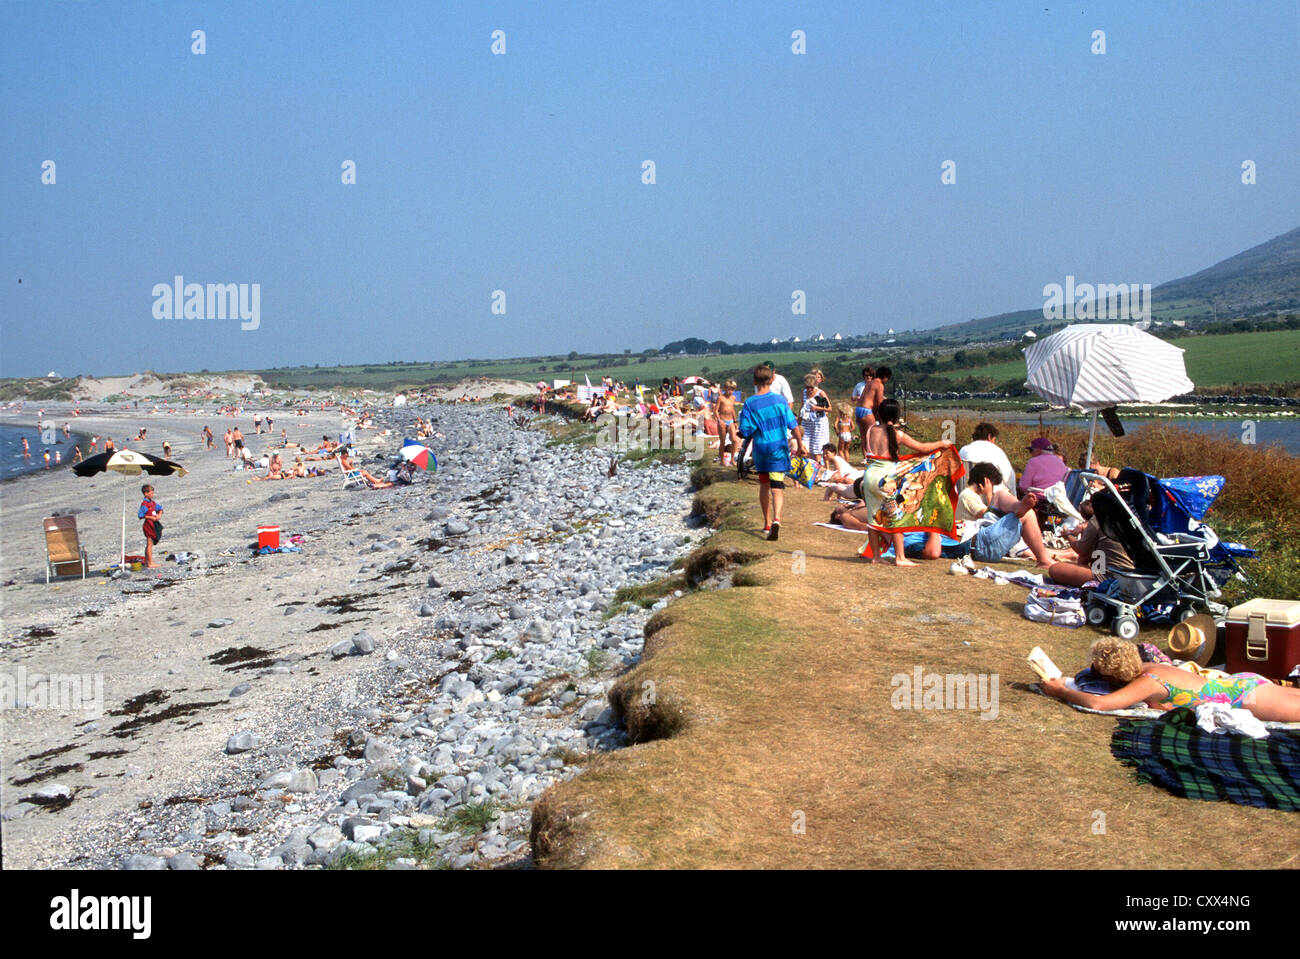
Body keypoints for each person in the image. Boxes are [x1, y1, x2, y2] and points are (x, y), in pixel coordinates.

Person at [1039, 637, 1300, 722]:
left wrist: (1061, 691)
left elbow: (1101, 704)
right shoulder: (1150, 665)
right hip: (1243, 684)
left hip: (1244, 698)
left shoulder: (1148, 681)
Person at [854, 398, 952, 566]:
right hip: (886, 479)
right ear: (897, 416)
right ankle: (900, 557)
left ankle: (876, 557)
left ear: (879, 414)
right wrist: (941, 443)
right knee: (896, 517)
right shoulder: (897, 434)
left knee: (873, 518)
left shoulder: (871, 429)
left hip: (869, 476)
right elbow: (922, 448)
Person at [738, 364, 802, 541]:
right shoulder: (780, 401)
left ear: (754, 381)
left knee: (764, 485)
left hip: (761, 449)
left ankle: (766, 523)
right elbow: (793, 425)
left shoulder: (750, 403)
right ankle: (777, 519)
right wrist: (801, 444)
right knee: (778, 487)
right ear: (772, 379)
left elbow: (745, 429)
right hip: (778, 449)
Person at [957, 463, 1064, 568]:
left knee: (1004, 499)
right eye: (992, 484)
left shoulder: (970, 495)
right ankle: (1017, 507)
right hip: (981, 543)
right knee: (1009, 502)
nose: (992, 488)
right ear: (986, 481)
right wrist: (990, 494)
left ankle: (1017, 507)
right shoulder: (967, 495)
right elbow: (985, 516)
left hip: (983, 541)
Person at [1047, 511, 1137, 587]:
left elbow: (1081, 549)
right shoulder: (1124, 519)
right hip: (1131, 575)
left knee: (1055, 569)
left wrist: (1068, 535)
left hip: (1110, 577)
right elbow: (1086, 555)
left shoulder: (1098, 519)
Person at [958, 423, 1017, 496]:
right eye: (994, 439)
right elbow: (1009, 477)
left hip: (966, 493)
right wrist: (1014, 496)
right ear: (989, 437)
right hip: (990, 496)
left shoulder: (963, 450)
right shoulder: (996, 451)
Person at [797, 373, 831, 456]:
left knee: (817, 448)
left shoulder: (820, 393)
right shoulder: (804, 392)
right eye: (807, 387)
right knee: (804, 445)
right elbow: (802, 407)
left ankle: (819, 465)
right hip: (806, 422)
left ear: (815, 385)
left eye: (811, 387)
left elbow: (830, 408)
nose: (809, 389)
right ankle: (808, 465)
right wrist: (798, 423)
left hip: (818, 423)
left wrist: (817, 408)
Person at [851, 366, 876, 454]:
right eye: (866, 375)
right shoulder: (859, 385)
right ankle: (865, 456)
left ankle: (872, 454)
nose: (868, 377)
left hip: (871, 411)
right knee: (863, 435)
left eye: (870, 376)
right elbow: (852, 398)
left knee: (872, 434)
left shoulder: (875, 385)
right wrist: (858, 397)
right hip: (861, 410)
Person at [138, 484, 163, 568]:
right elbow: (140, 515)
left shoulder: (152, 502)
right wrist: (150, 517)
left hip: (153, 524)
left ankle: (146, 561)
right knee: (149, 543)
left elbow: (160, 508)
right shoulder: (144, 504)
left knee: (149, 543)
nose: (152, 495)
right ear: (146, 494)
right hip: (148, 524)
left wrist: (159, 514)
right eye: (151, 493)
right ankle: (150, 562)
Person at [715, 381, 739, 466]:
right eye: (729, 389)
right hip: (722, 420)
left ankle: (732, 460)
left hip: (731, 421)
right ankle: (722, 460)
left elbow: (732, 410)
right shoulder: (720, 398)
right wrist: (719, 420)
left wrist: (735, 421)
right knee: (722, 441)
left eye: (732, 390)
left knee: (734, 440)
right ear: (725, 389)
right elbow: (715, 411)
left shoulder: (733, 398)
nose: (730, 391)